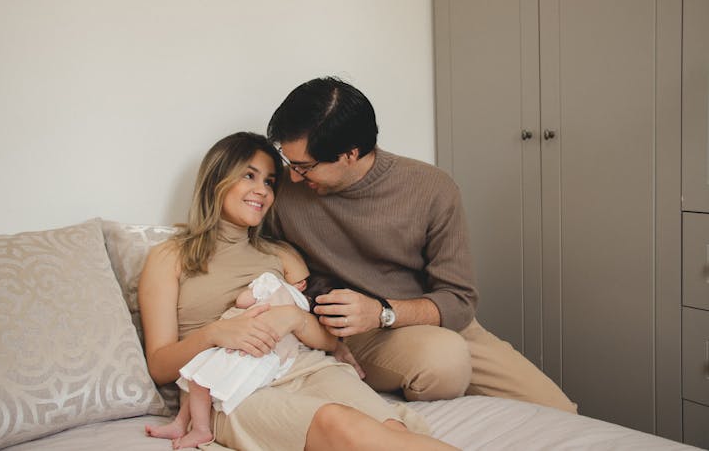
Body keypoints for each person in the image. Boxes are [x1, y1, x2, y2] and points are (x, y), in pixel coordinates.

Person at [266, 77, 577, 413]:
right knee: (443, 362)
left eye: (304, 166)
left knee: (559, 409)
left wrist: (382, 312)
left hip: (425, 319)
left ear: (350, 154)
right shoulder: (283, 193)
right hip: (353, 331)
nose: (294, 177)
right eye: (289, 161)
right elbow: (258, 261)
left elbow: (459, 300)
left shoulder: (431, 188)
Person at [138, 131, 458, 450]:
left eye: (269, 182)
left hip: (305, 366)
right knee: (338, 424)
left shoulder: (282, 255)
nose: (261, 191)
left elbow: (328, 341)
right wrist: (215, 333)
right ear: (216, 178)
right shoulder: (170, 257)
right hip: (229, 388)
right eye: (249, 176)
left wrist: (293, 318)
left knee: (392, 429)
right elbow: (159, 365)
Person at [145, 270, 310, 448]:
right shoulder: (302, 309)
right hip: (268, 356)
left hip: (242, 344)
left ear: (301, 284)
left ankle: (201, 430)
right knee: (199, 379)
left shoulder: (273, 283)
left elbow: (242, 301)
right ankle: (179, 425)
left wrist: (252, 289)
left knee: (199, 380)